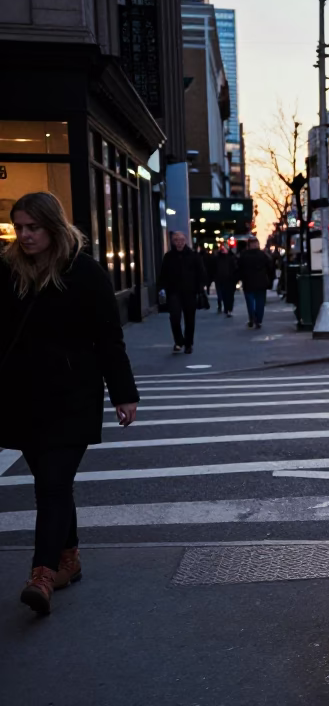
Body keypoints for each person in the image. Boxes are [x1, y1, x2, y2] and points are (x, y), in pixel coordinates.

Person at [0, 192, 139, 616]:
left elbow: (109, 339)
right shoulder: (7, 270)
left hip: (72, 396)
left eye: (33, 227)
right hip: (22, 398)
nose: (24, 235)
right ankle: (70, 557)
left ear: (53, 227)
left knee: (52, 484)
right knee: (52, 482)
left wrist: (124, 394)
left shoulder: (85, 271)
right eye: (19, 227)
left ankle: (41, 573)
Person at [159, 231, 205, 354]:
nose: (179, 243)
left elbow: (201, 273)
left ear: (185, 241)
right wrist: (162, 288)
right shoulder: (168, 257)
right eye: (176, 240)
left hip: (190, 292)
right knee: (175, 317)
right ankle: (179, 341)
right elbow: (163, 274)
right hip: (173, 292)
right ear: (173, 242)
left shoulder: (193, 256)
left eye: (181, 240)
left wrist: (200, 289)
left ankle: (188, 343)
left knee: (190, 319)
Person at [237, 236, 274, 329]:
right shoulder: (263, 255)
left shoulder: (243, 255)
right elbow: (270, 268)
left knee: (250, 302)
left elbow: (239, 269)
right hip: (261, 282)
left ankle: (252, 317)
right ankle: (259, 320)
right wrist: (270, 280)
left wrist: (239, 278)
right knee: (260, 302)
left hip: (248, 282)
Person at [213, 242, 239, 318]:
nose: (223, 249)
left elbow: (236, 268)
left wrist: (235, 278)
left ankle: (229, 309)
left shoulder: (232, 257)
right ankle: (226, 308)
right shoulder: (217, 258)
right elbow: (213, 267)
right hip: (220, 279)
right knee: (223, 295)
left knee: (230, 295)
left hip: (230, 279)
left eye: (225, 247)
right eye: (222, 247)